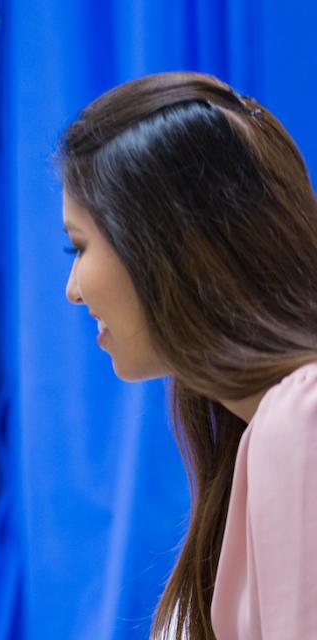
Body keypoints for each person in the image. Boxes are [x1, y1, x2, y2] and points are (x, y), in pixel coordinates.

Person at [57, 71, 317, 639]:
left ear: (167, 246)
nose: (73, 289)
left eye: (79, 246)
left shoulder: (300, 422)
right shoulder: (264, 426)